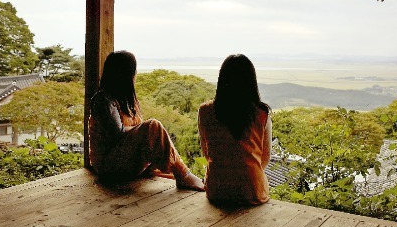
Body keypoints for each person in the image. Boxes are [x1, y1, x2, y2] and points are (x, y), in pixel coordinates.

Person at [89, 50, 204, 191]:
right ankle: (183, 174)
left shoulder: (130, 100)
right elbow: (115, 134)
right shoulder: (103, 99)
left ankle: (182, 174)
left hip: (128, 163)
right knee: (153, 126)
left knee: (153, 133)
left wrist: (145, 135)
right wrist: (146, 132)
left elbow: (139, 138)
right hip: (109, 166)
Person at [198, 54, 272, 205]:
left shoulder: (205, 111)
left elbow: (207, 153)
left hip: (217, 190)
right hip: (252, 191)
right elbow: (264, 160)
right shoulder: (261, 114)